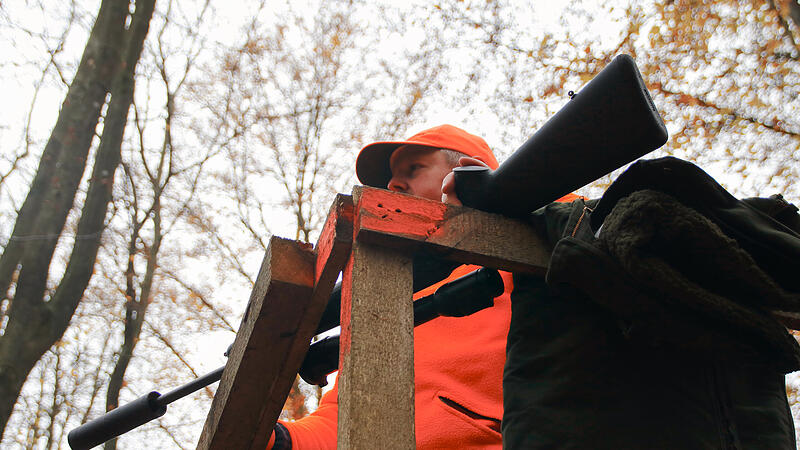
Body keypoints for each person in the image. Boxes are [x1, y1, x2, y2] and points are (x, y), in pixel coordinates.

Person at [267, 124, 575, 449]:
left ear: (467, 170)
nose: (391, 184)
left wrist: (501, 204)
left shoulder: (535, 238)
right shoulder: (380, 301)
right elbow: (338, 426)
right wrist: (274, 438)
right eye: (391, 179)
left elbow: (594, 231)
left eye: (413, 168)